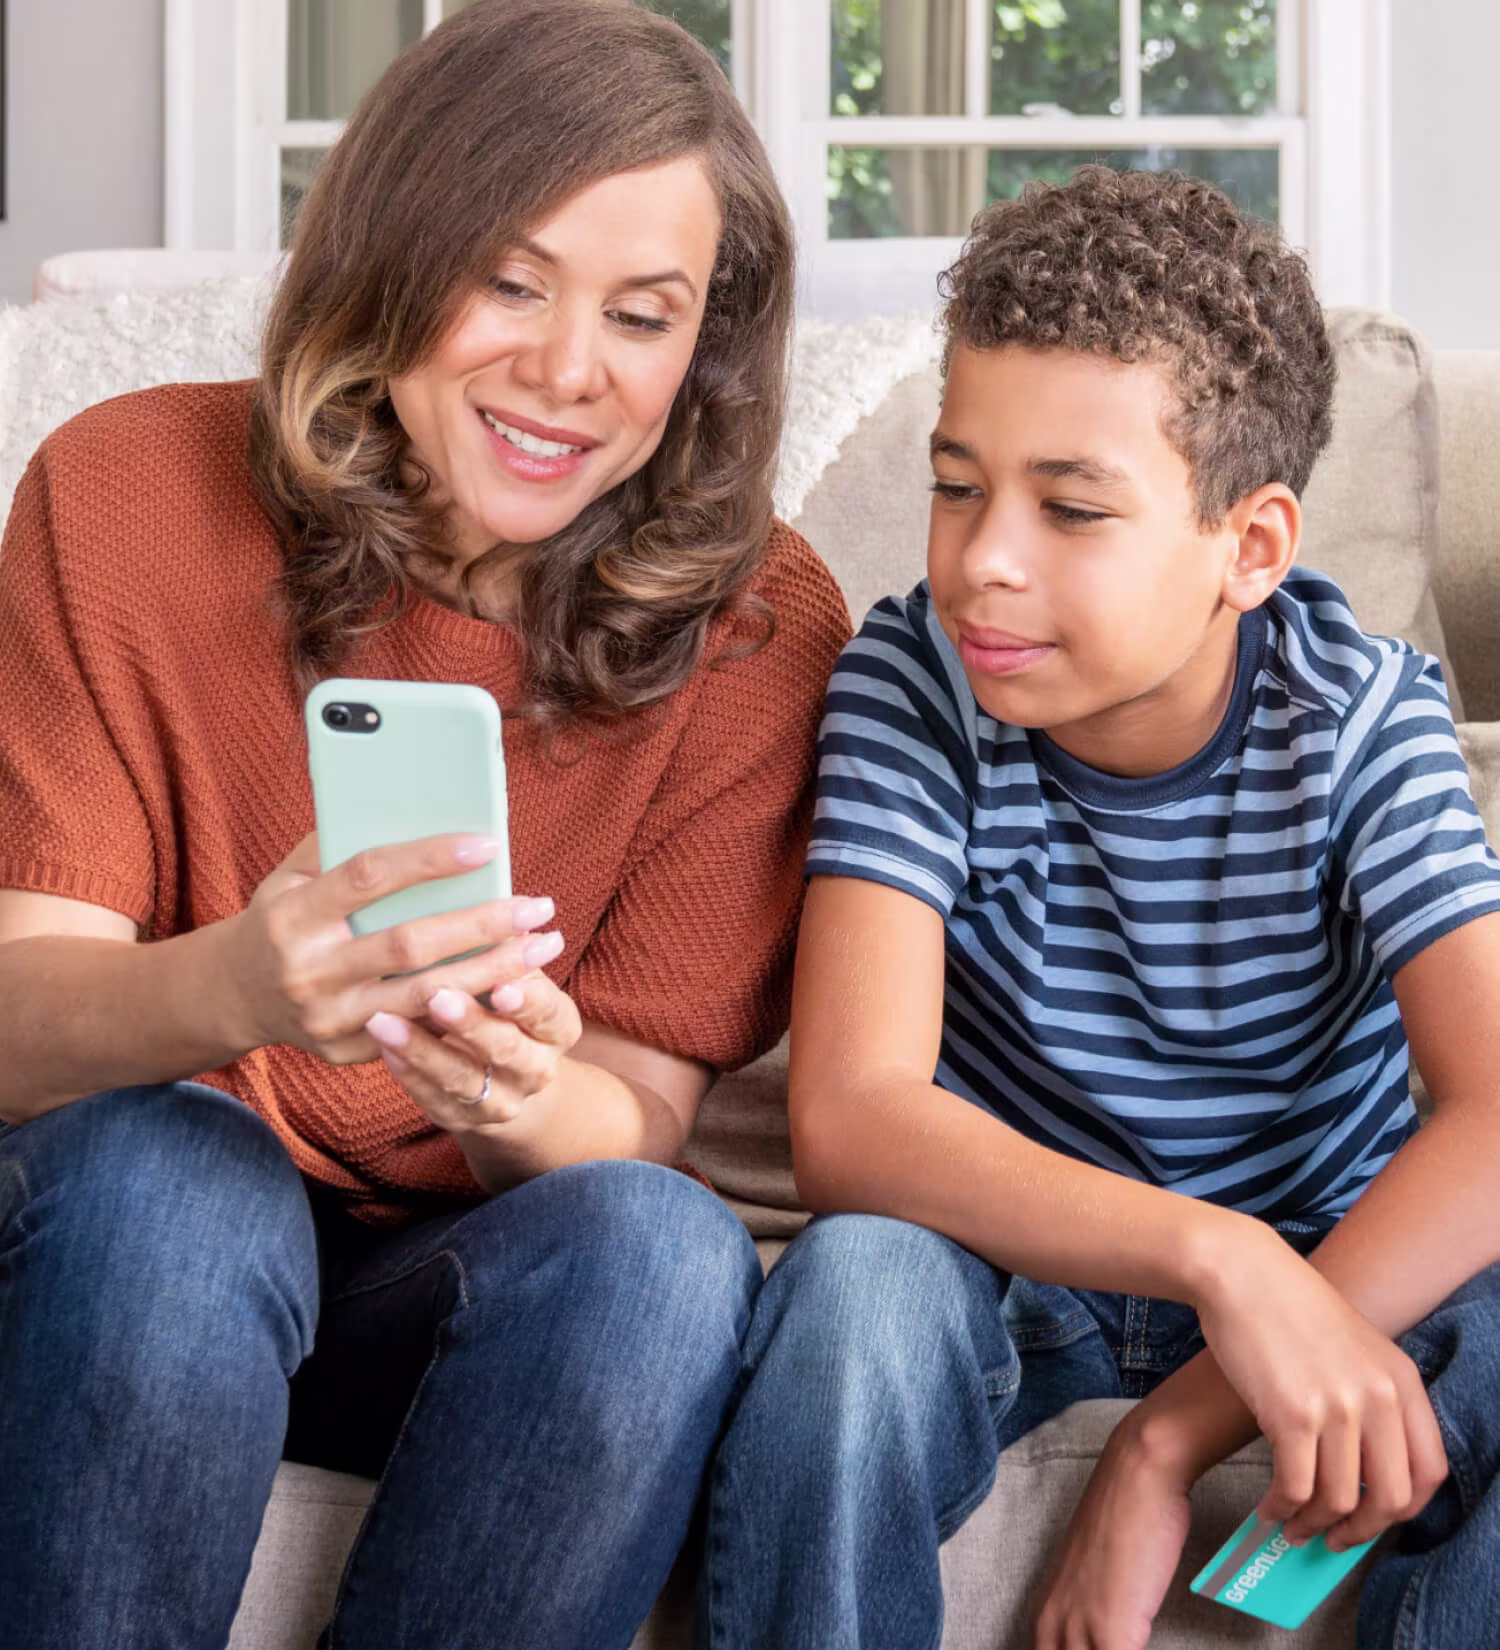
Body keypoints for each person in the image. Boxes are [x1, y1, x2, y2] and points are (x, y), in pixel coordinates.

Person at [0, 3, 850, 1647]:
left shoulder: (762, 627)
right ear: (391, 259)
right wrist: (233, 988)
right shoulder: (117, 490)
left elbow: (644, 1124)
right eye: (512, 281)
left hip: (443, 1282)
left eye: (643, 314)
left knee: (664, 1251)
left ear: (705, 354)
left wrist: (524, 1092)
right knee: (188, 1178)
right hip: (114, 1237)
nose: (566, 370)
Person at [697, 167, 1500, 1650]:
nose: (983, 559)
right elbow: (854, 1118)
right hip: (1021, 1273)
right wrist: (1218, 1255)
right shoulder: (913, 687)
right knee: (855, 1294)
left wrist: (1173, 1432)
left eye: (1070, 507)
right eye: (957, 485)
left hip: (1330, 1252)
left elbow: (1496, 1112)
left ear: (1251, 549)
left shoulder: (1361, 719)